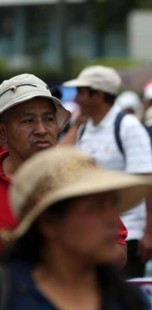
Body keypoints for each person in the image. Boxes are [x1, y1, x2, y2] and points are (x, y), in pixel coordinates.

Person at [0, 146, 152, 310]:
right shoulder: (8, 300)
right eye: (95, 207)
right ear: (49, 223)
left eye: (112, 205)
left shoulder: (132, 305)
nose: (111, 219)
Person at [0, 73, 130, 265]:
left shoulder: (79, 178)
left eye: (49, 119)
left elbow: (117, 252)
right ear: (2, 133)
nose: (42, 130)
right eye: (28, 121)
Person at [64, 65, 152, 278]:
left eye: (81, 92)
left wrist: (149, 232)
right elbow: (60, 161)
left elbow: (148, 180)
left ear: (97, 95)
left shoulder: (128, 126)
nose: (76, 99)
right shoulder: (85, 127)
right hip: (93, 230)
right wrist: (75, 125)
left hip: (130, 234)